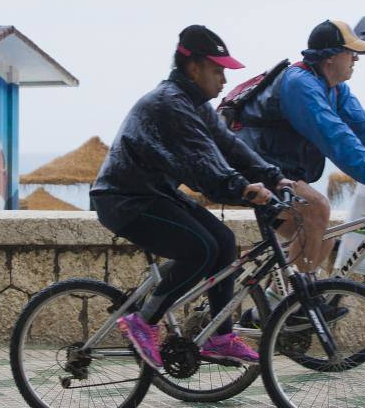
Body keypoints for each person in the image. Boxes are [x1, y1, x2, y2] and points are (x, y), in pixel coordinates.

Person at [90, 25, 292, 368]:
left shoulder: (194, 104)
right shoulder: (170, 103)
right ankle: (143, 321)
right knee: (200, 247)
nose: (224, 81)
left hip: (154, 194)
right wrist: (241, 188)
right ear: (193, 67)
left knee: (224, 242)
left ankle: (220, 336)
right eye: (218, 71)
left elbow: (228, 146)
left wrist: (273, 176)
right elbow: (202, 162)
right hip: (124, 200)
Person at [235, 19, 365, 273]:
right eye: (351, 52)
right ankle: (297, 305)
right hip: (253, 166)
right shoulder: (300, 84)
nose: (356, 59)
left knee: (324, 238)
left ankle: (277, 304)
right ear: (329, 57)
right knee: (317, 208)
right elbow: (335, 136)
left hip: (279, 168)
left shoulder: (335, 89)